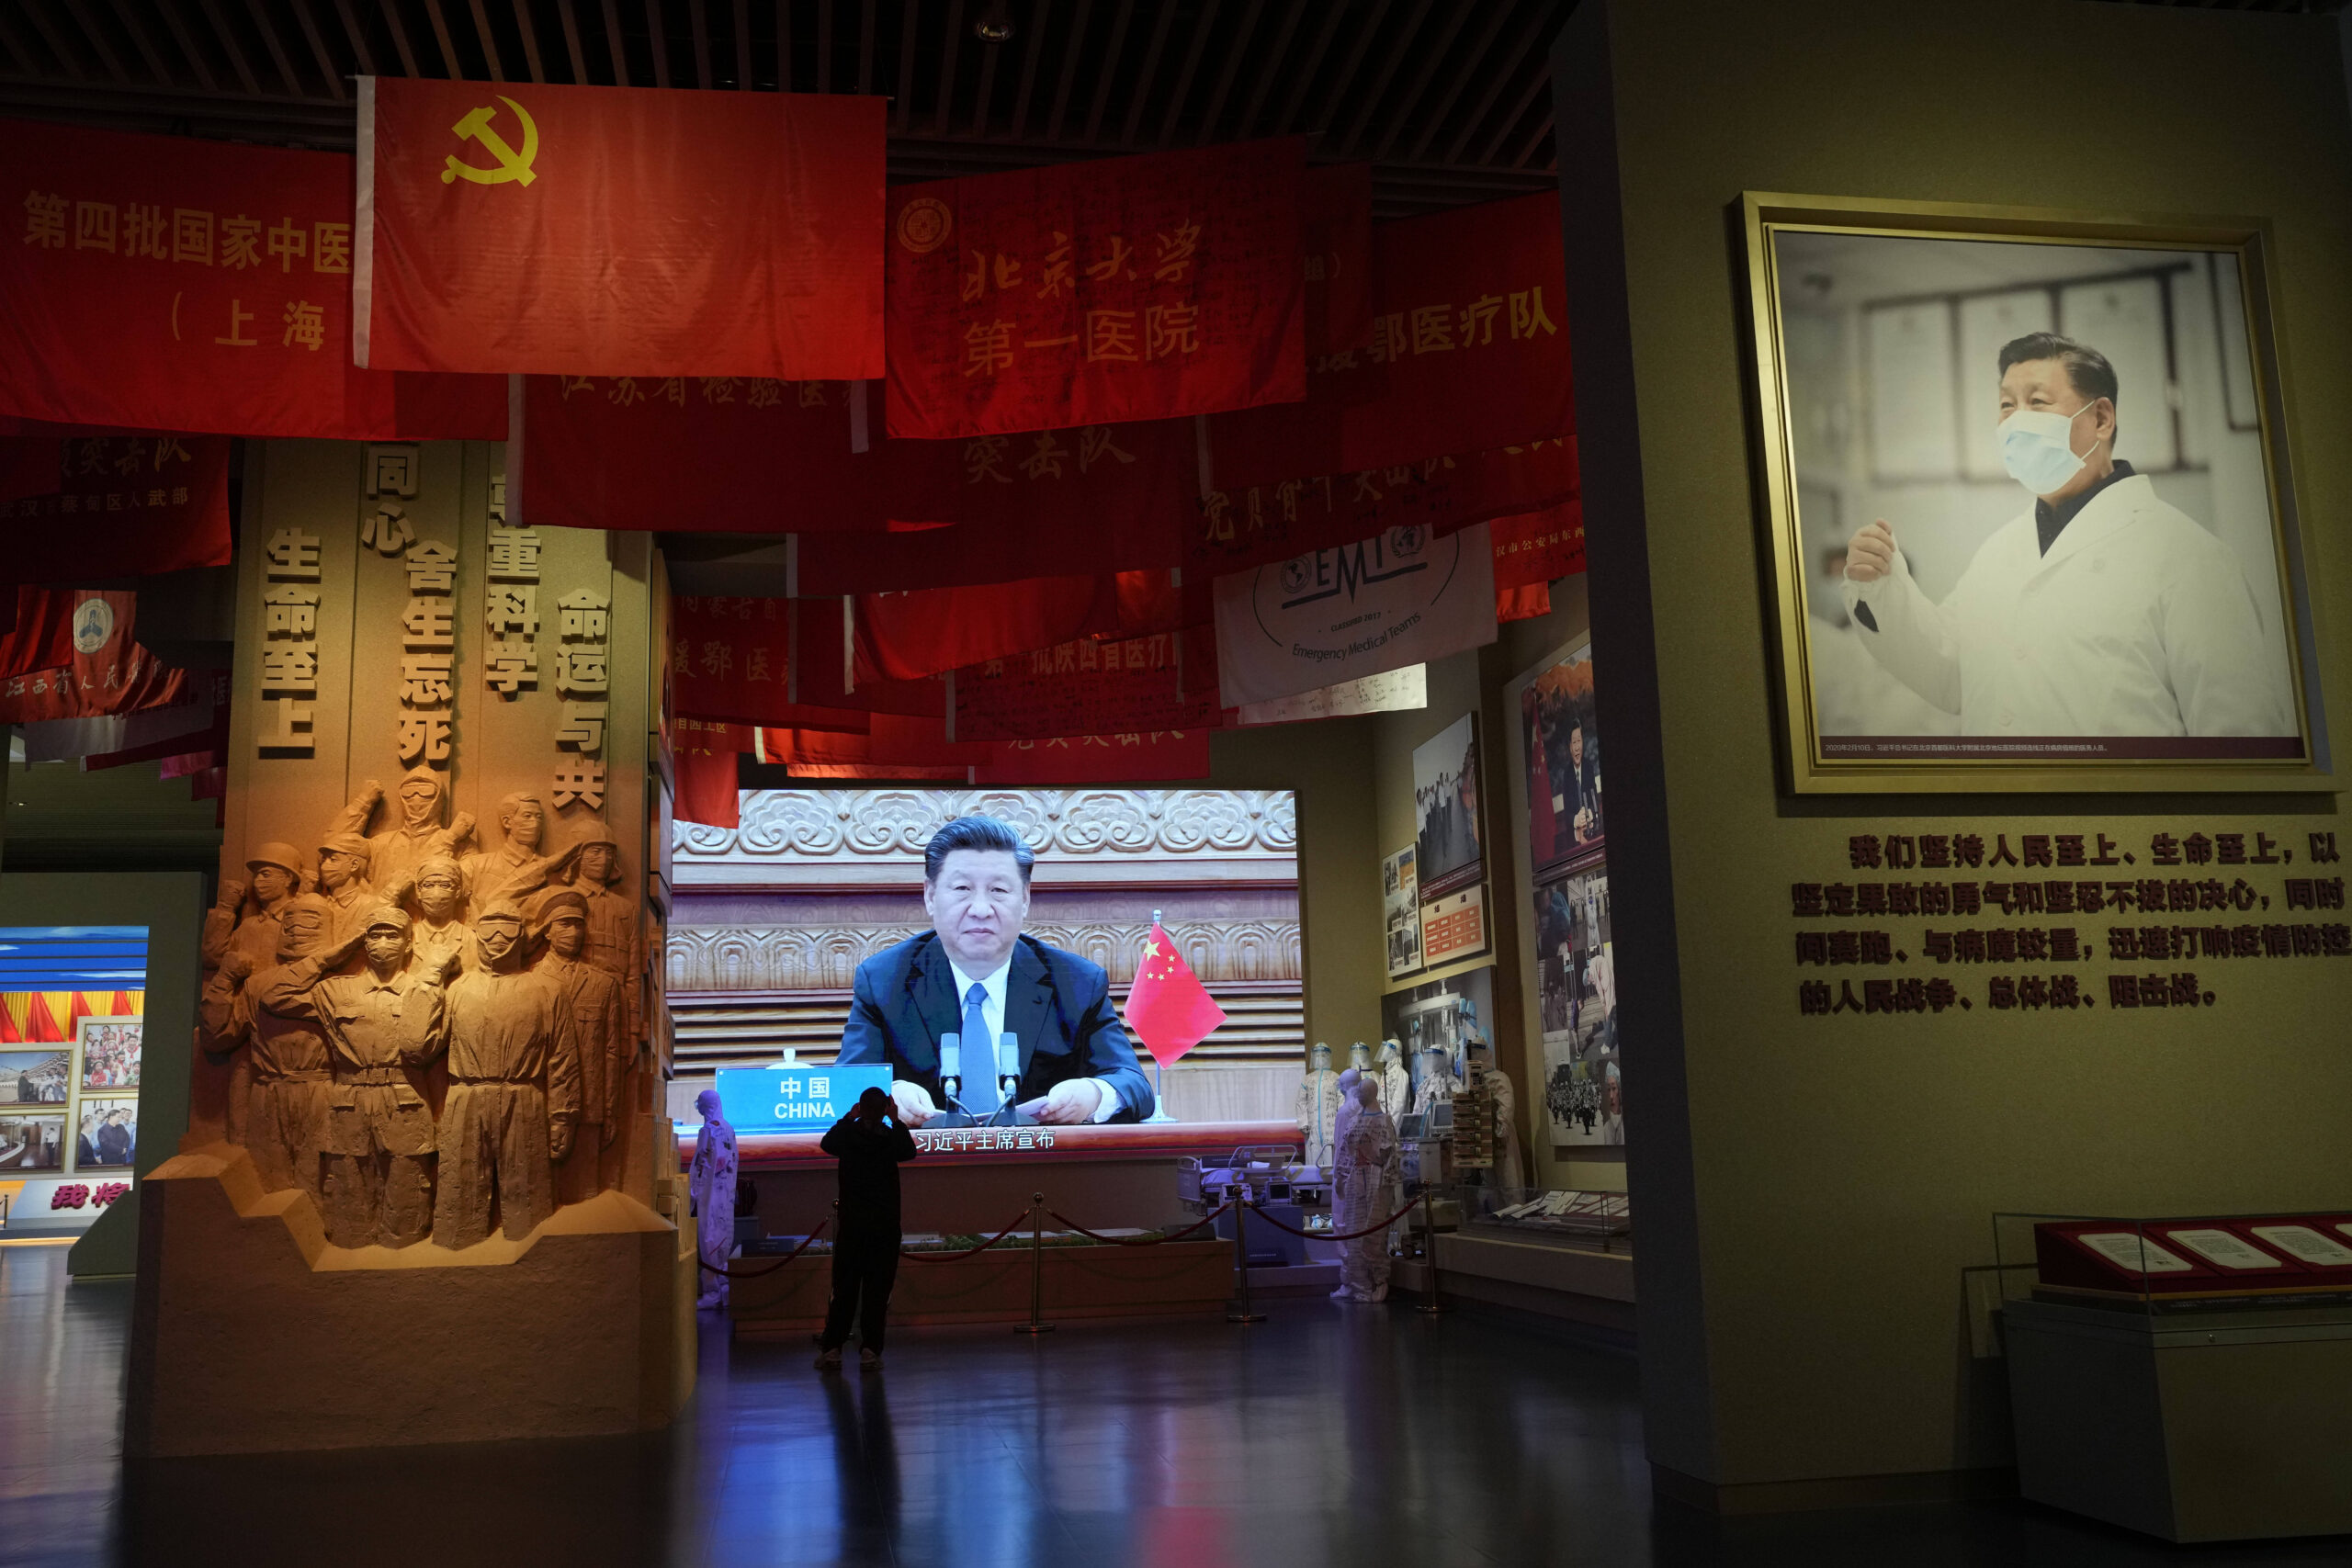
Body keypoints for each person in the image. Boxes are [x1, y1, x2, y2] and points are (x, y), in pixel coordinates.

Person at [1842, 332, 2290, 739]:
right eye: (2005, 405)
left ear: (2100, 419)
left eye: (2037, 402)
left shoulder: (2187, 556)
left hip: (2121, 826)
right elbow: (1948, 672)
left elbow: (2241, 734)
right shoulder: (1999, 550)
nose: (2016, 420)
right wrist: (1883, 586)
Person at [837, 815, 1152, 1127]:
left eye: (999, 891)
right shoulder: (883, 981)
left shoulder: (1077, 983)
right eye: (962, 888)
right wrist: (887, 1094)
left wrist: (1094, 1093)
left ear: (1025, 899)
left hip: (1039, 1169)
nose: (980, 909)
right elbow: (844, 1089)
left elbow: (1133, 1086)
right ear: (930, 896)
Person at [264, 906, 447, 1248]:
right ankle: (352, 1245)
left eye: (392, 935)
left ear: (409, 944)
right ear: (363, 943)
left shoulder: (423, 990)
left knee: (409, 1184)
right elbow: (275, 996)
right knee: (347, 1182)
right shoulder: (334, 991)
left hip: (404, 1095)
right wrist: (333, 955)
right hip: (350, 1099)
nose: (382, 942)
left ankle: (402, 1249)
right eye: (374, 935)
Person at [432, 902, 582, 1249]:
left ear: (522, 935)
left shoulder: (547, 989)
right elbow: (423, 1047)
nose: (498, 938)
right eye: (488, 929)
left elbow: (562, 1059)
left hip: (524, 1099)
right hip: (466, 1097)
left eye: (508, 929)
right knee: (459, 1203)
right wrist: (428, 981)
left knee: (528, 1212)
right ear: (477, 935)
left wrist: (563, 1118)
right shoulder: (458, 988)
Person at [815, 1086, 919, 1371]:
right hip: (884, 1227)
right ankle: (870, 1350)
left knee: (844, 1290)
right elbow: (909, 1152)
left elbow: (827, 1143)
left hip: (852, 1226)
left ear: (860, 1108)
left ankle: (833, 1348)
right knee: (877, 1292)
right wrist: (896, 1121)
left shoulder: (847, 1136)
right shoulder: (890, 1139)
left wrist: (849, 1118)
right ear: (886, 1109)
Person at [1330, 1079, 1398, 1303]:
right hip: (1355, 1180)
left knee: (1374, 1233)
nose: (1358, 1093)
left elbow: (1390, 1158)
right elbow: (1344, 1151)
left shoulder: (1383, 1121)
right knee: (1354, 1233)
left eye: (1362, 1090)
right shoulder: (1354, 1120)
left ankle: (1379, 1279)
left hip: (1376, 1181)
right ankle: (1359, 1284)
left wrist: (1388, 1184)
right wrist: (1340, 1177)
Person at [689, 1089, 738, 1311]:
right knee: (722, 1241)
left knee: (709, 1240)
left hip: (709, 1196)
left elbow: (701, 1166)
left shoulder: (708, 1131)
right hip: (726, 1197)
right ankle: (724, 1287)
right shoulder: (728, 1129)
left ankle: (712, 1291)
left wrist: (691, 1193)